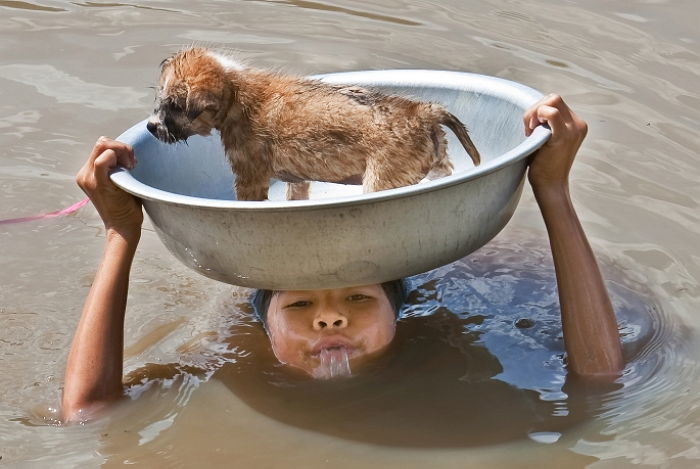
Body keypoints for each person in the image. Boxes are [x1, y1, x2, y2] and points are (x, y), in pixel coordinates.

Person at [62, 94, 623, 423]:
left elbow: (600, 380)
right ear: (264, 327)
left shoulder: (451, 340)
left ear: (400, 308)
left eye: (358, 297)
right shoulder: (226, 363)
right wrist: (120, 235)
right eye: (300, 303)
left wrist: (553, 192)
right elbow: (86, 413)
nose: (329, 318)